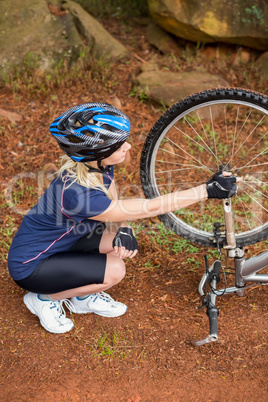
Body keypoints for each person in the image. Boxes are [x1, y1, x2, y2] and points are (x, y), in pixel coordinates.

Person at [7, 102, 238, 334]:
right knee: (115, 270)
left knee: (114, 237)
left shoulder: (95, 166)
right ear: (99, 151)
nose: (128, 146)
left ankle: (81, 296)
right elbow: (149, 207)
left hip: (62, 242)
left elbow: (112, 193)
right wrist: (206, 191)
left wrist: (124, 227)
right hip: (31, 266)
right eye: (119, 145)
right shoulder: (78, 194)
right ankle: (44, 298)